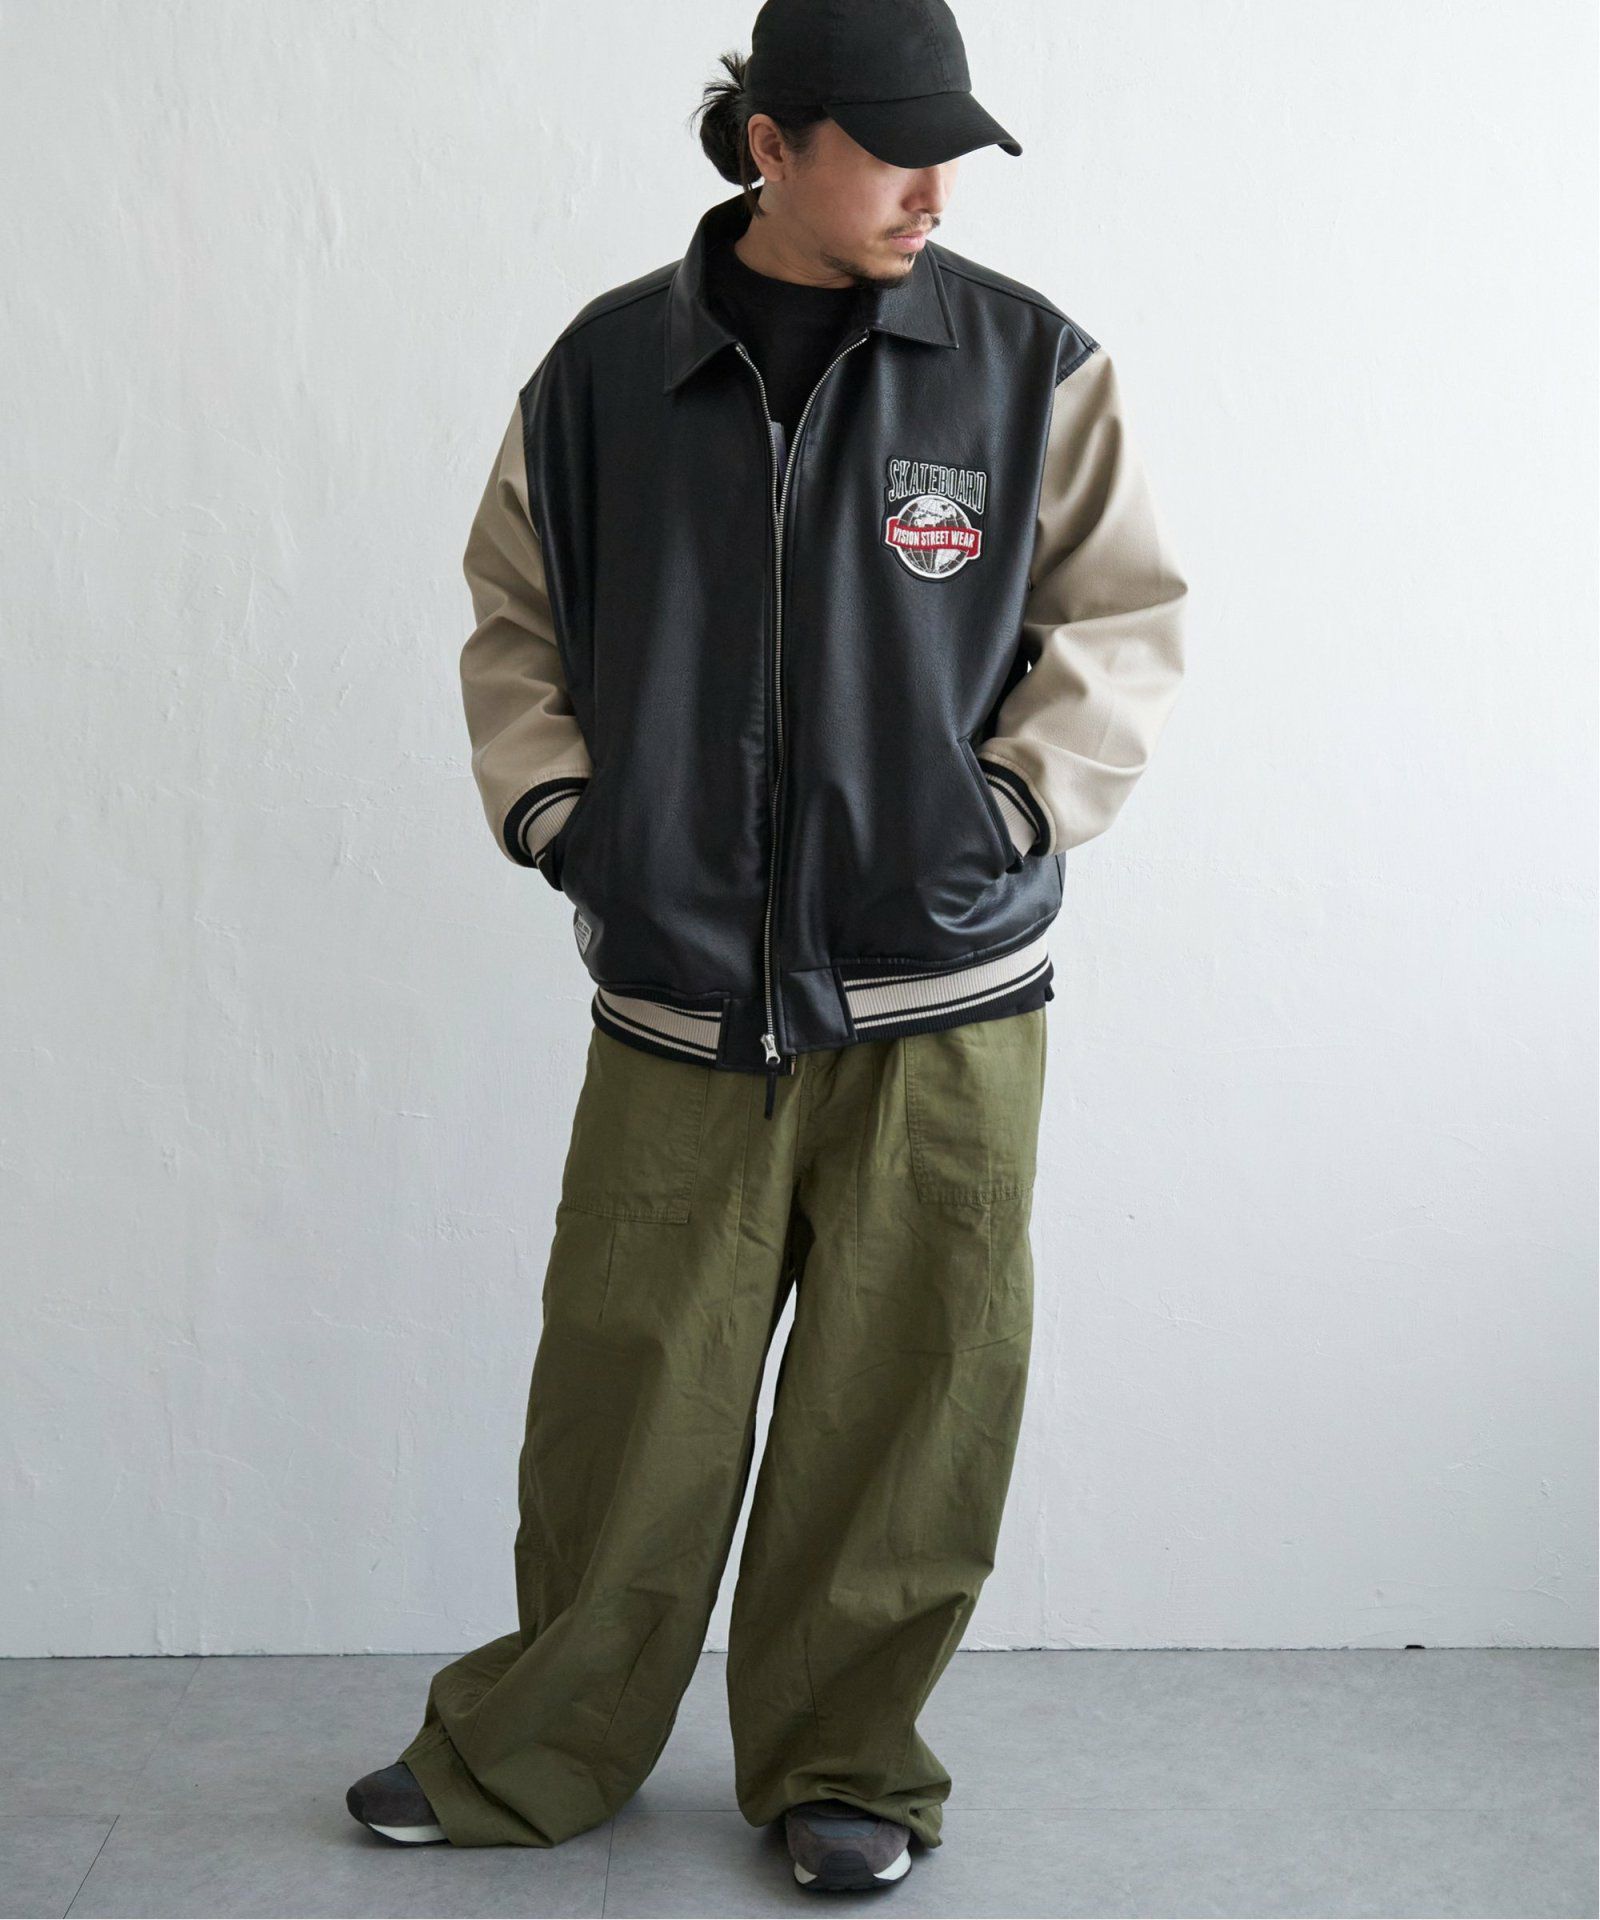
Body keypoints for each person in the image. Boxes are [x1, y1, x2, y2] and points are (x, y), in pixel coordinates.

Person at [347, 0, 1187, 1893]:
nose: (934, 190)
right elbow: (514, 617)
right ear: (769, 146)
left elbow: (1121, 626)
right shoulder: (601, 375)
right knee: (627, 1399)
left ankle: (848, 1767)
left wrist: (1010, 816)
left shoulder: (1029, 364)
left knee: (908, 1406)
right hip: (681, 993)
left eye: (951, 149)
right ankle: (536, 1747)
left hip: (941, 998)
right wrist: (566, 821)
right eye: (893, 149)